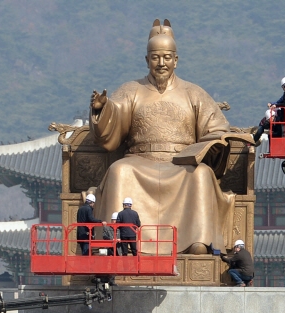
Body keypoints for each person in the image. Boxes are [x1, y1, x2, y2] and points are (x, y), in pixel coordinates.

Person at [90, 19, 252, 255]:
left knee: (202, 174)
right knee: (119, 170)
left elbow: (216, 127)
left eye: (167, 57)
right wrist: (102, 109)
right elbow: (114, 119)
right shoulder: (131, 89)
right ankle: (114, 242)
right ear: (147, 60)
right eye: (155, 57)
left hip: (181, 162)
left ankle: (197, 240)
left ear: (176, 60)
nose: (161, 63)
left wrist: (216, 139)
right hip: (140, 159)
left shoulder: (193, 92)